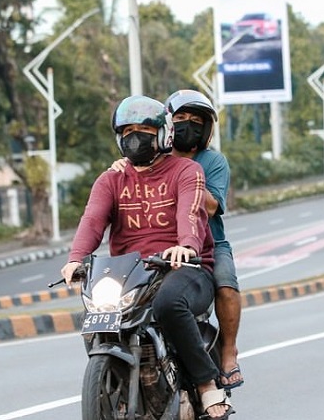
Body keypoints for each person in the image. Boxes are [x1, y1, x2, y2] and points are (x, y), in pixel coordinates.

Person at [61, 95, 234, 419]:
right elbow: (93, 220)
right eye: (128, 131)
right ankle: (116, 386)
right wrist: (76, 258)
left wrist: (186, 245)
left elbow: (191, 213)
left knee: (168, 304)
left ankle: (206, 384)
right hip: (131, 272)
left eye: (144, 129)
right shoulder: (111, 179)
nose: (135, 136)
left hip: (184, 267)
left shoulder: (187, 170)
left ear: (163, 134)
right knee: (96, 316)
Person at [112, 89, 244, 390]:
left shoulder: (212, 162)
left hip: (205, 244)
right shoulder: (152, 154)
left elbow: (211, 206)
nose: (187, 125)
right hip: (156, 246)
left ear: (206, 128)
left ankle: (227, 352)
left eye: (195, 121)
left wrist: (186, 180)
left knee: (224, 284)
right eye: (180, 118)